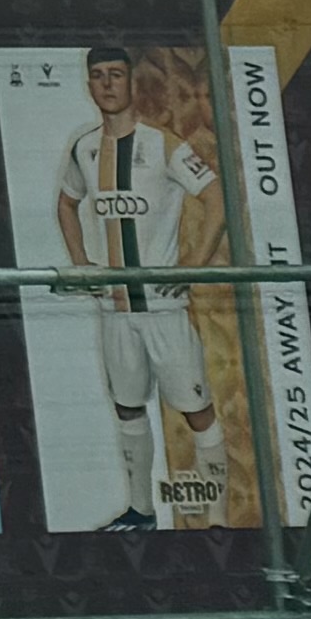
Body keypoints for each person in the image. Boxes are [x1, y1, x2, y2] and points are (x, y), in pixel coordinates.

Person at [48, 45, 219, 529]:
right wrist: (82, 264)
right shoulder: (84, 147)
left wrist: (193, 266)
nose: (107, 84)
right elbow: (66, 204)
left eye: (116, 75)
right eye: (98, 75)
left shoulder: (162, 144)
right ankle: (141, 512)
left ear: (131, 83)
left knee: (196, 409)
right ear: (89, 84)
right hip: (115, 310)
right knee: (127, 407)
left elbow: (216, 198)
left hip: (163, 310)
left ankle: (220, 518)